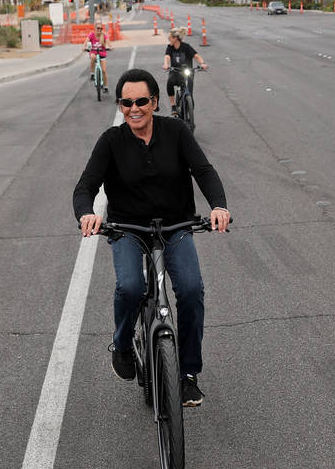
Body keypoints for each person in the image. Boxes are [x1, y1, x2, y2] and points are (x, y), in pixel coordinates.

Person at [73, 68, 231, 407]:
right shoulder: (111, 141)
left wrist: (219, 205)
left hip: (174, 226)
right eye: (127, 102)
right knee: (130, 287)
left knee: (191, 289)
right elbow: (85, 186)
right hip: (128, 229)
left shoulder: (175, 131)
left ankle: (188, 374)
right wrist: (87, 213)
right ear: (120, 105)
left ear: (155, 102)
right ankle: (123, 344)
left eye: (141, 101)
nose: (134, 108)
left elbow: (203, 171)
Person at [162, 27, 207, 116]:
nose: (168, 39)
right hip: (175, 71)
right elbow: (167, 56)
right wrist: (166, 64)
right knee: (170, 82)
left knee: (189, 94)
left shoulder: (186, 47)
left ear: (175, 38)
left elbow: (196, 56)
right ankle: (173, 105)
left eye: (170, 37)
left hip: (187, 72)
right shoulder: (170, 47)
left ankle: (189, 113)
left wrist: (202, 63)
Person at [86, 23, 109, 90]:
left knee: (104, 71)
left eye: (101, 28)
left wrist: (109, 47)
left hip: (102, 53)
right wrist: (84, 47)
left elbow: (108, 43)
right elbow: (86, 41)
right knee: (93, 57)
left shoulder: (104, 35)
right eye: (98, 28)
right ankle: (92, 73)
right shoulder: (92, 35)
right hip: (93, 52)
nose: (99, 30)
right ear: (95, 29)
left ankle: (106, 86)